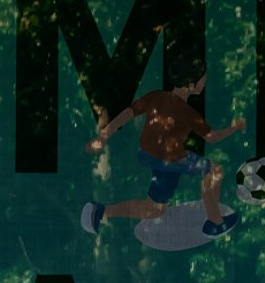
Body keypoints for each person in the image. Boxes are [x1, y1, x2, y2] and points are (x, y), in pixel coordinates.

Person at [80, 64, 246, 237]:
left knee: (155, 208)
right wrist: (234, 128)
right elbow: (211, 137)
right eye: (202, 80)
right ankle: (215, 222)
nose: (204, 83)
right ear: (190, 85)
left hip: (149, 155)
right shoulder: (188, 112)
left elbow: (129, 113)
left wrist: (105, 136)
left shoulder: (156, 96)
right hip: (170, 158)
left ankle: (101, 212)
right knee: (215, 170)